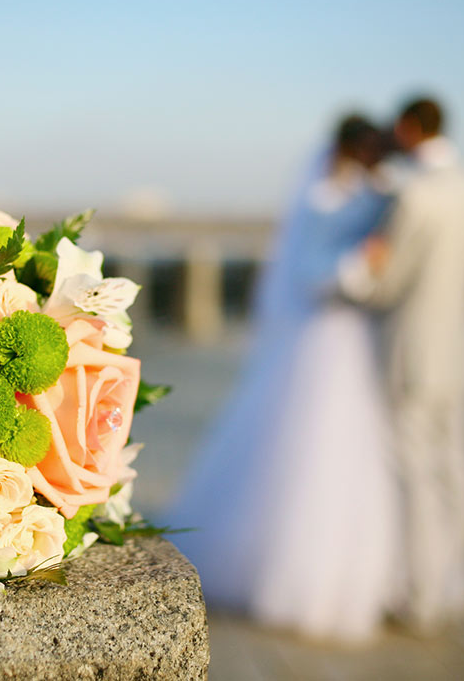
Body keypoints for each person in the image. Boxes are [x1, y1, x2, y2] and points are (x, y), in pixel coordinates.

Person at [167, 115, 401, 644]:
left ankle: (344, 578)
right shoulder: (321, 198)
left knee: (343, 460)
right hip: (323, 340)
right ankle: (298, 581)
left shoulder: (352, 192)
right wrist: (364, 264)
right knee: (309, 454)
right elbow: (313, 274)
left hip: (344, 340)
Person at [339, 96, 464, 634]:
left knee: (417, 479)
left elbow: (387, 286)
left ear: (409, 128)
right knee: (459, 470)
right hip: (460, 353)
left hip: (411, 355)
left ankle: (424, 598)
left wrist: (354, 281)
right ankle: (460, 584)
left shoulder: (415, 196)